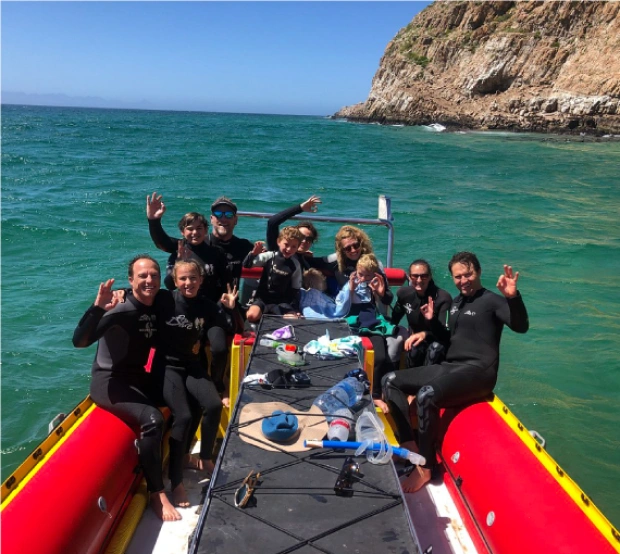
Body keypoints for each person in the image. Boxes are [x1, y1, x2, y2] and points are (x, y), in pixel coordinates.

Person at [382, 252, 529, 493]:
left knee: (427, 395)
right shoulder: (457, 303)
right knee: (390, 380)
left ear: (478, 272)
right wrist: (430, 325)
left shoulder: (493, 301)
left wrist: (513, 298)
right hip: (451, 366)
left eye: (468, 274)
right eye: (458, 277)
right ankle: (410, 445)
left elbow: (521, 326)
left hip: (479, 372)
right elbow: (448, 338)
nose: (463, 280)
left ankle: (426, 467)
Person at [72, 255, 181, 521]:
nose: (149, 280)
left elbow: (182, 288)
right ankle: (157, 493)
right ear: (131, 280)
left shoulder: (162, 300)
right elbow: (80, 341)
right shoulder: (119, 309)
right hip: (109, 382)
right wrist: (98, 308)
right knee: (153, 419)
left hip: (139, 378)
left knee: (185, 401)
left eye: (153, 275)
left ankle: (179, 465)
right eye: (142, 276)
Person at [154, 259, 238, 507]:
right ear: (175, 281)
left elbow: (228, 325)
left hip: (192, 364)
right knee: (184, 416)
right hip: (168, 367)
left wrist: (230, 309)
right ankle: (176, 482)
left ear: (201, 280)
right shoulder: (164, 300)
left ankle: (205, 458)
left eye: (193, 278)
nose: (188, 282)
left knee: (213, 405)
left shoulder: (207, 305)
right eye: (183, 278)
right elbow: (138, 298)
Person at [146, 192, 229, 303]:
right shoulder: (179, 251)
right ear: (182, 232)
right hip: (184, 306)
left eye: (199, 228)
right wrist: (153, 220)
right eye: (190, 229)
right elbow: (170, 285)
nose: (195, 232)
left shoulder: (216, 252)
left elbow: (226, 283)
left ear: (205, 230)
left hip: (211, 306)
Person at [343, 253, 399, 412]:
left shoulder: (375, 284)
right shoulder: (350, 283)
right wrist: (350, 290)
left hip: (372, 322)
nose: (363, 278)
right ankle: (365, 392)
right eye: (361, 274)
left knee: (381, 357)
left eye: (368, 275)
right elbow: (341, 305)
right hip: (352, 321)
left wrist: (379, 293)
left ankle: (378, 393)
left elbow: (388, 299)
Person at [391, 259, 452, 368]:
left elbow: (446, 335)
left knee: (435, 349)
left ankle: (429, 378)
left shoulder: (443, 298)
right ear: (410, 277)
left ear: (430, 277)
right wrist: (382, 296)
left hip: (437, 341)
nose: (419, 280)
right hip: (415, 340)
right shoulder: (404, 294)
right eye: (415, 276)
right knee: (414, 348)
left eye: (423, 276)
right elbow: (394, 320)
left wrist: (431, 321)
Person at [243, 226, 303, 322]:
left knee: (294, 320)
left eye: (293, 247)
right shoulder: (269, 256)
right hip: (262, 300)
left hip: (281, 302)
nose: (289, 249)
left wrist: (293, 308)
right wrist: (253, 254)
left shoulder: (295, 265)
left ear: (298, 247)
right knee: (251, 316)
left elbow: (295, 289)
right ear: (278, 241)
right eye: (286, 244)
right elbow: (246, 265)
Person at [204, 196, 254, 287]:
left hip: (232, 296)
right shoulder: (201, 244)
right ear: (211, 219)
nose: (223, 219)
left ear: (236, 220)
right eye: (218, 214)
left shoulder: (244, 246)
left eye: (229, 215)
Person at [266, 195, 321, 270]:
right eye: (301, 236)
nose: (304, 241)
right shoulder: (280, 251)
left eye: (309, 239)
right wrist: (300, 208)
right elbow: (272, 223)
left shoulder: (305, 261)